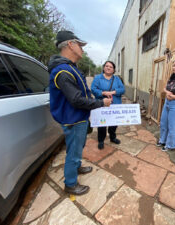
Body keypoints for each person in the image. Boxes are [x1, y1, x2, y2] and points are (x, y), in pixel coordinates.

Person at [48, 30, 112, 195]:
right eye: (80, 45)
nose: (82, 49)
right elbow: (76, 99)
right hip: (73, 118)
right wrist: (100, 103)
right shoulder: (63, 71)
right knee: (74, 151)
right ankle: (70, 184)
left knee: (77, 147)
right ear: (70, 44)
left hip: (79, 117)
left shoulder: (70, 67)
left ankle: (76, 167)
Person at [91, 61, 125, 149]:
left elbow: (122, 89)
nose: (108, 68)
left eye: (111, 67)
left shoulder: (117, 79)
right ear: (103, 67)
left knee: (114, 123)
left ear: (113, 70)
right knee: (102, 123)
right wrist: (103, 93)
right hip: (102, 104)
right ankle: (101, 140)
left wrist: (113, 92)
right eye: (106, 66)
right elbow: (93, 89)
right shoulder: (98, 78)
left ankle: (112, 137)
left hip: (115, 105)